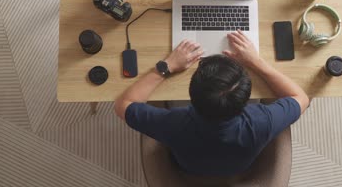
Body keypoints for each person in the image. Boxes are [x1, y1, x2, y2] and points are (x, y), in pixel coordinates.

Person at [115, 30, 310, 177]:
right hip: (238, 167)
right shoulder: (262, 121)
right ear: (245, 100)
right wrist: (256, 62)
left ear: (191, 95)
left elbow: (123, 104)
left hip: (188, 166)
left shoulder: (172, 123)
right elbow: (301, 98)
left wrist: (167, 66)